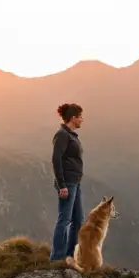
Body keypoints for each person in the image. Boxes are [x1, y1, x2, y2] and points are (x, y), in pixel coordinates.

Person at [50, 102, 85, 262]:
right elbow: (56, 159)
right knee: (64, 220)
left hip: (75, 183)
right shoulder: (62, 135)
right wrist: (62, 185)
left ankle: (71, 256)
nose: (82, 120)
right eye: (80, 117)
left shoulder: (70, 135)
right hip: (68, 183)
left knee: (77, 220)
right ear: (73, 118)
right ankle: (57, 258)